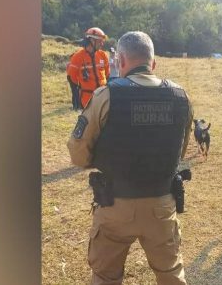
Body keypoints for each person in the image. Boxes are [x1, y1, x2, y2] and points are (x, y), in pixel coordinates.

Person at [67, 31, 193, 285]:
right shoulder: (181, 97)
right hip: (161, 204)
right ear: (153, 63)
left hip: (115, 205)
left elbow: (78, 153)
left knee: (105, 276)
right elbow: (180, 152)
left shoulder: (106, 96)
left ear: (120, 61)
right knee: (171, 275)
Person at [68, 27, 110, 109]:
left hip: (103, 97)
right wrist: (77, 98)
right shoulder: (77, 57)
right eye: (100, 41)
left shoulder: (103, 55)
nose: (102, 44)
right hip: (87, 100)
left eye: (103, 41)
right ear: (91, 40)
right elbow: (72, 79)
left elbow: (107, 74)